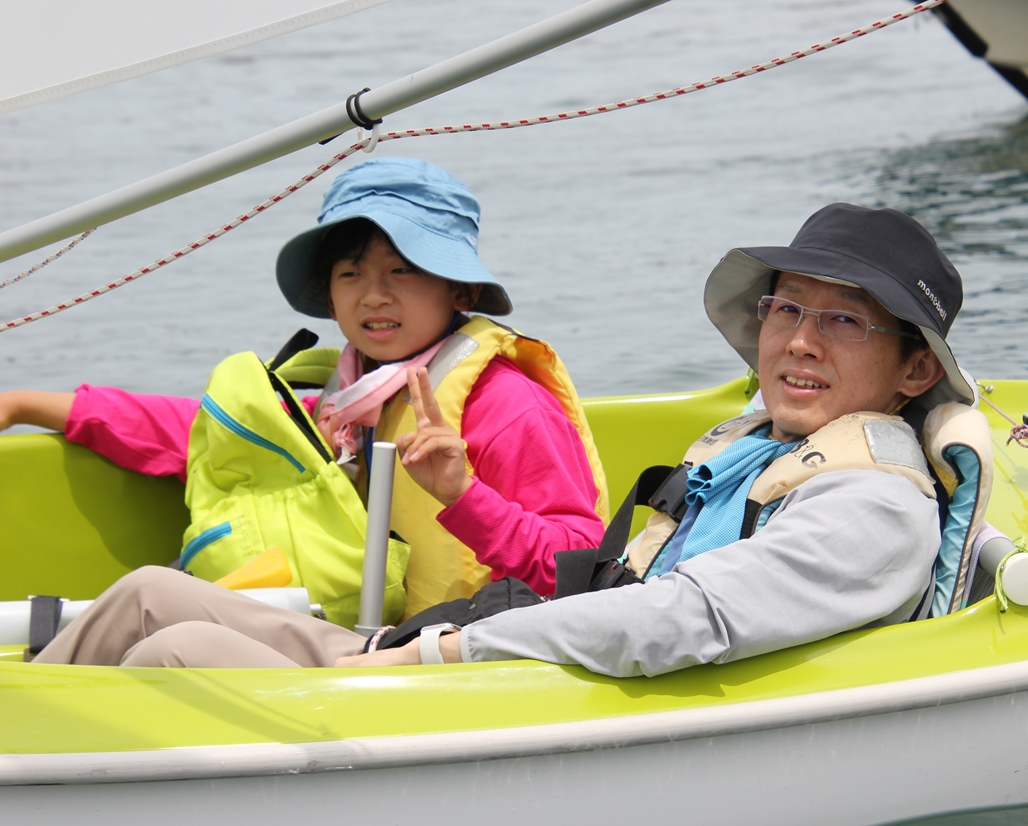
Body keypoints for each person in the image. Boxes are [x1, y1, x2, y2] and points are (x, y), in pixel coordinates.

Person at [35, 202, 976, 674]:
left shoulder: (870, 505)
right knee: (151, 594)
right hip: (472, 646)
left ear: (914, 370)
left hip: (496, 692)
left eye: (844, 321)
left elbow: (680, 620)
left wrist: (442, 650)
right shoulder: (756, 442)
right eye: (786, 309)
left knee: (172, 656)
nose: (800, 341)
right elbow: (210, 433)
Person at [3, 158, 608, 628]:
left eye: (402, 269)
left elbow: (580, 567)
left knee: (151, 601)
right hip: (356, 637)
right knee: (156, 600)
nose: (373, 294)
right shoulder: (345, 397)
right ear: (330, 296)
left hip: (450, 655)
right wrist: (23, 404)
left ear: (461, 292)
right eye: (351, 273)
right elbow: (205, 430)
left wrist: (462, 494)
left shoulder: (505, 403)